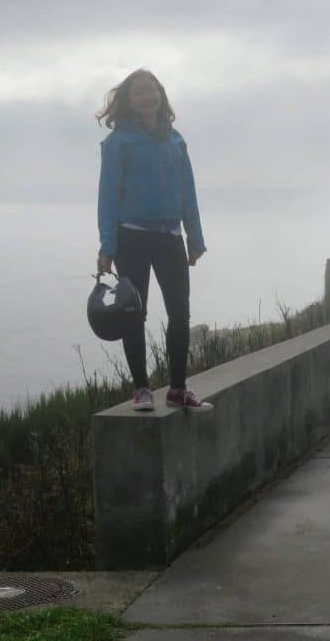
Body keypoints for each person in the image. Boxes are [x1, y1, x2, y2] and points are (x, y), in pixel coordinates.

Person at [96, 69, 212, 412]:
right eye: (139, 92)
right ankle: (141, 389)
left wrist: (196, 238)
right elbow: (108, 197)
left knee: (180, 313)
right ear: (128, 101)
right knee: (135, 314)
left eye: (152, 91)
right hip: (130, 236)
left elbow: (188, 192)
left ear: (160, 96)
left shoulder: (175, 140)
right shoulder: (117, 142)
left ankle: (178, 388)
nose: (147, 97)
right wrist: (107, 246)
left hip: (170, 237)